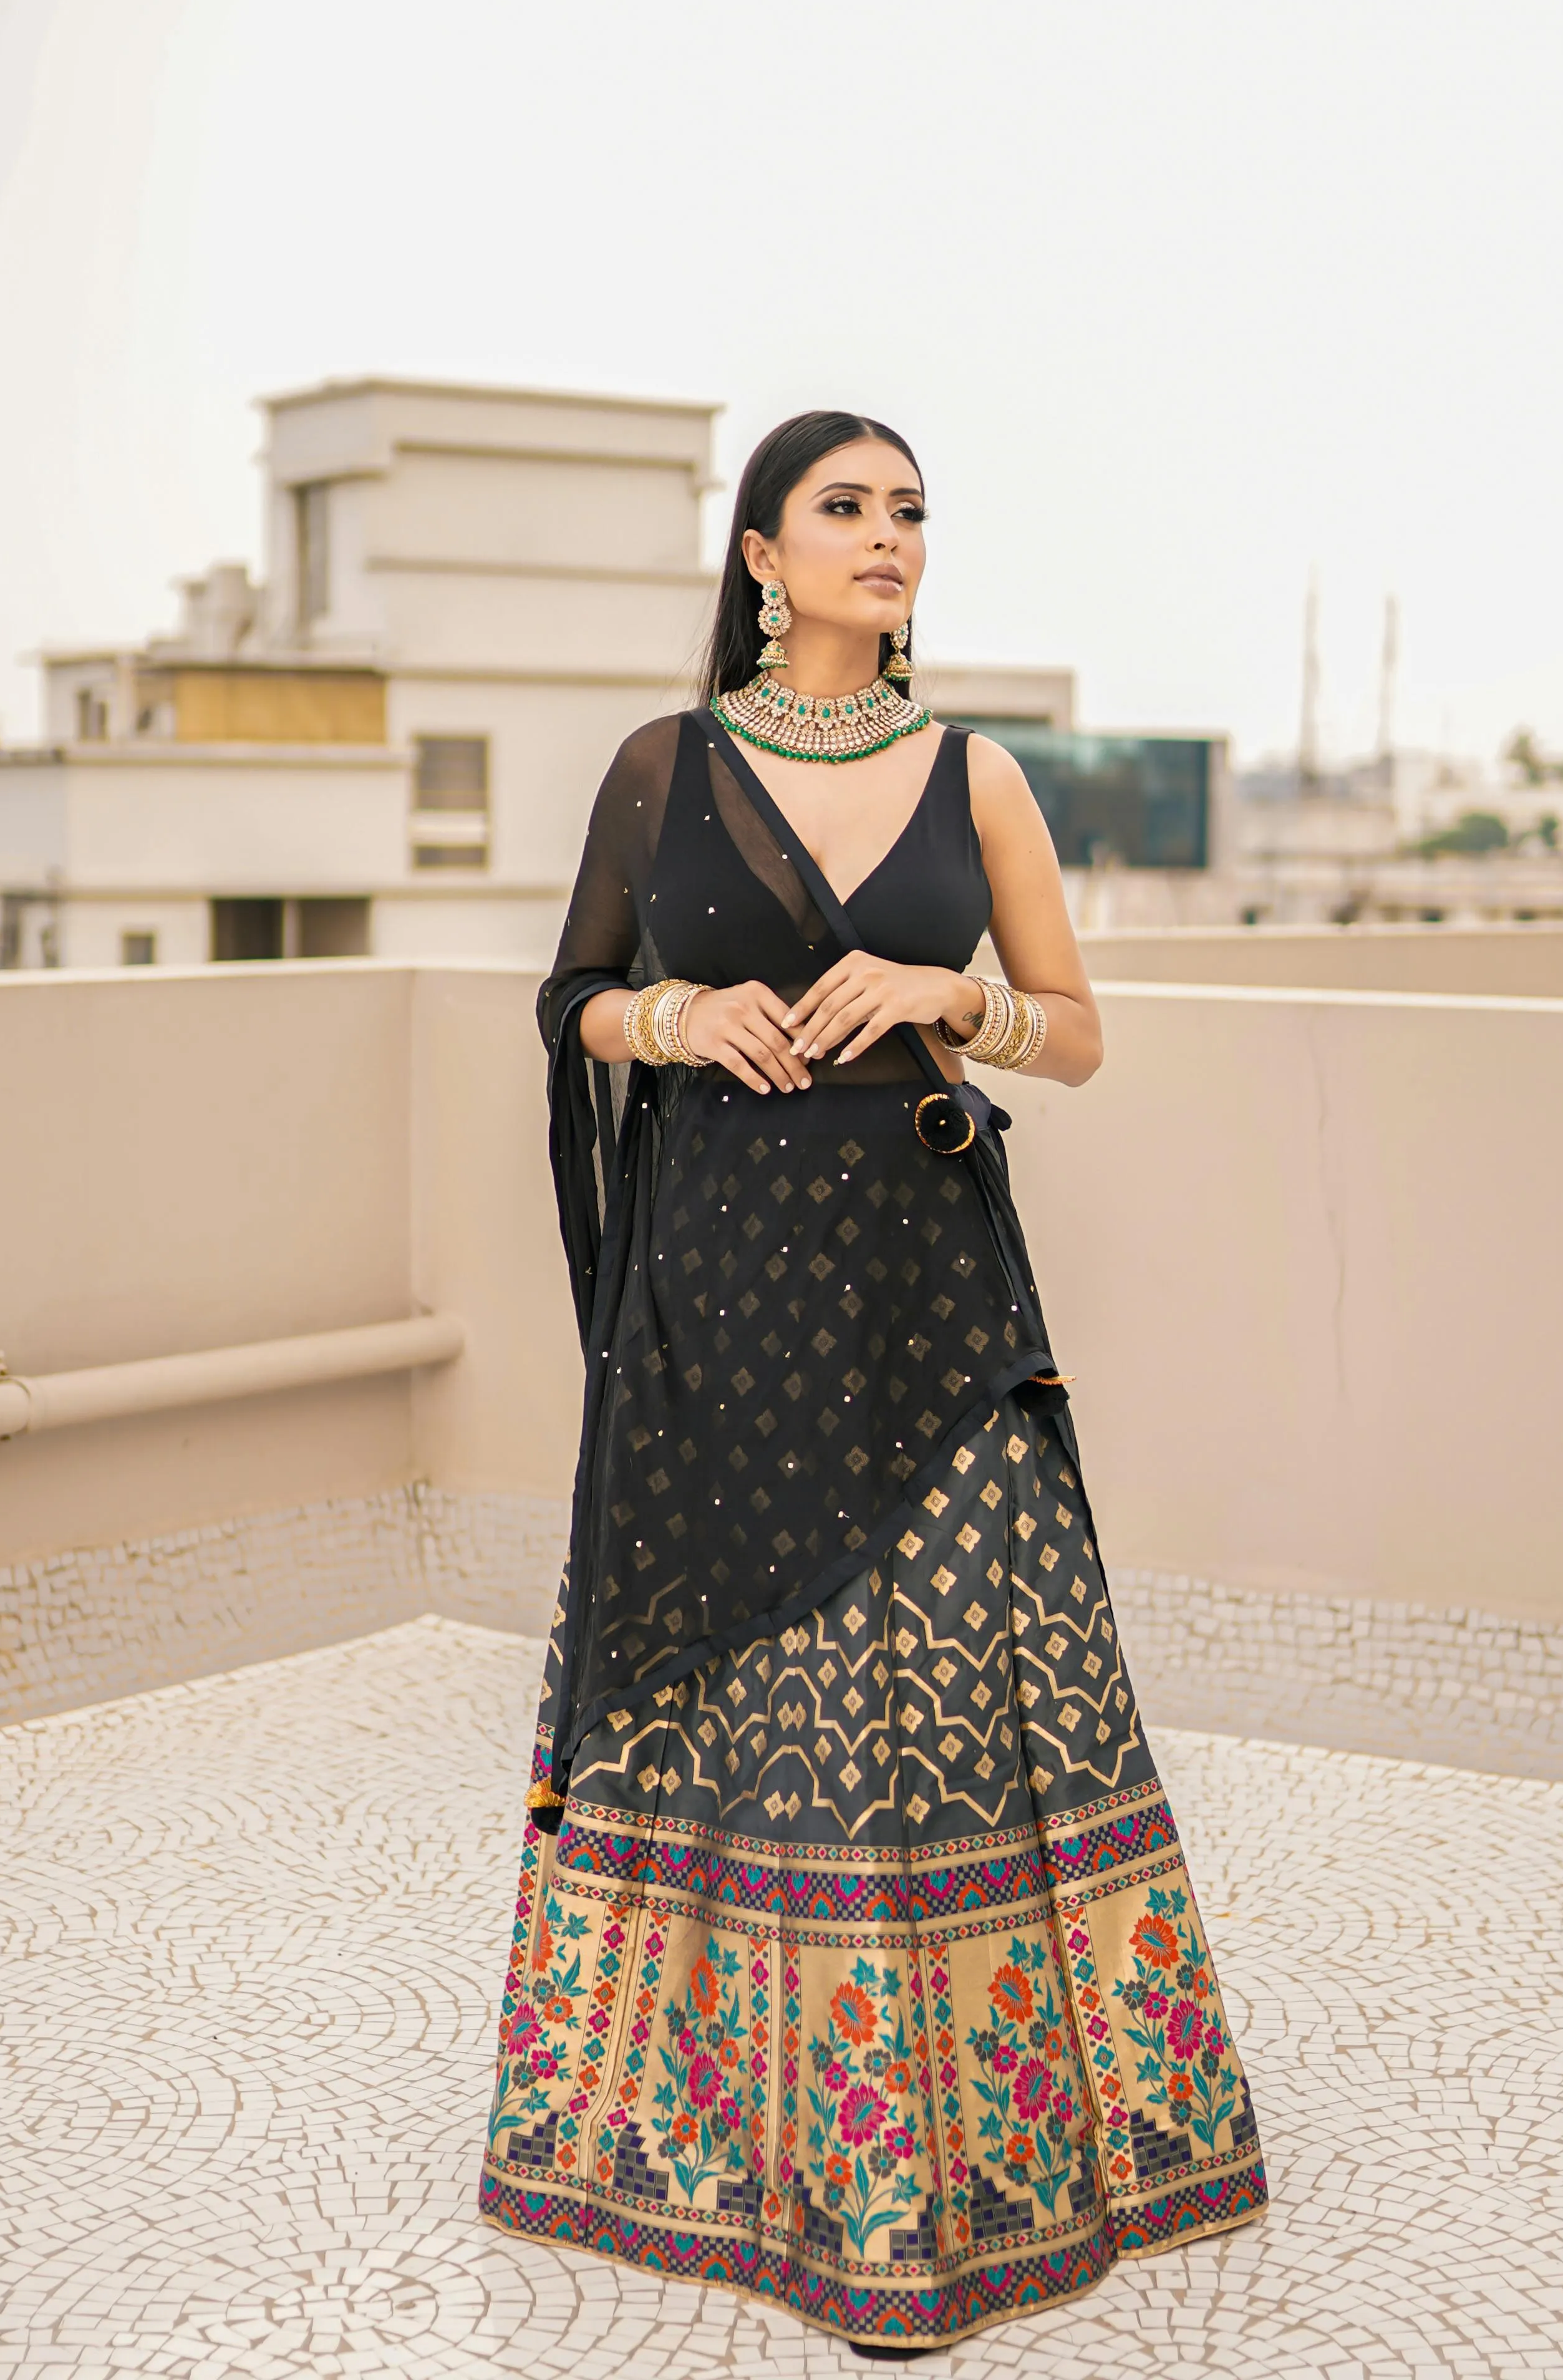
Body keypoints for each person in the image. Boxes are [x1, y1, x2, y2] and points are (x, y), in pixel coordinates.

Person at [478, 412, 1266, 2353]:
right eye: (848, 509)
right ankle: (709, 2159)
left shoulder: (973, 773)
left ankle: (980, 2183)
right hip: (719, 1313)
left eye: (911, 512)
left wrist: (944, 994)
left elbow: (1076, 1035)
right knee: (763, 1713)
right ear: (760, 555)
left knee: (957, 1702)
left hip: (935, 1310)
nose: (890, 538)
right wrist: (676, 1010)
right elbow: (566, 996)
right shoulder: (664, 770)